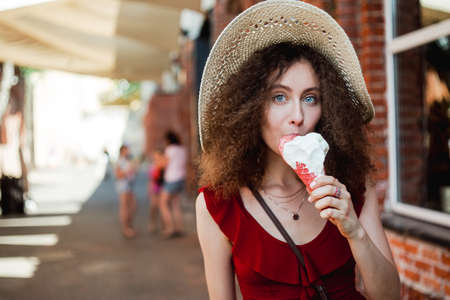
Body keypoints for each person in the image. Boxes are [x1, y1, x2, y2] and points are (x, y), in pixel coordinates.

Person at [195, 1, 400, 300]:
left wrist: (354, 231)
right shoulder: (218, 203)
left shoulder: (352, 185)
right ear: (250, 107)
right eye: (279, 97)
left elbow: (389, 296)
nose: (298, 117)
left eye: (310, 98)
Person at [159, 131, 187, 238]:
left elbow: (163, 164)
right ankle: (179, 228)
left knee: (163, 203)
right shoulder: (182, 149)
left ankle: (170, 228)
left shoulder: (170, 149)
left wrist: (158, 159)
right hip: (181, 178)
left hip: (172, 178)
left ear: (168, 140)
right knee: (176, 204)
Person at [115, 144, 137, 238]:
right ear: (122, 151)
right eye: (127, 150)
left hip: (129, 186)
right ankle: (125, 228)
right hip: (123, 186)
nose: (129, 151)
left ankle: (129, 226)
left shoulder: (127, 160)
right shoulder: (120, 161)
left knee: (133, 206)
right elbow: (118, 175)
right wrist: (128, 170)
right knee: (124, 207)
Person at [147, 148, 165, 233]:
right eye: (155, 155)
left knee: (162, 207)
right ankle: (152, 224)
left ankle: (163, 226)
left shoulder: (163, 164)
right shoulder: (152, 165)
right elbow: (150, 179)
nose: (156, 156)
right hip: (154, 188)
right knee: (153, 207)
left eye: (157, 155)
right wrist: (149, 189)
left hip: (162, 188)